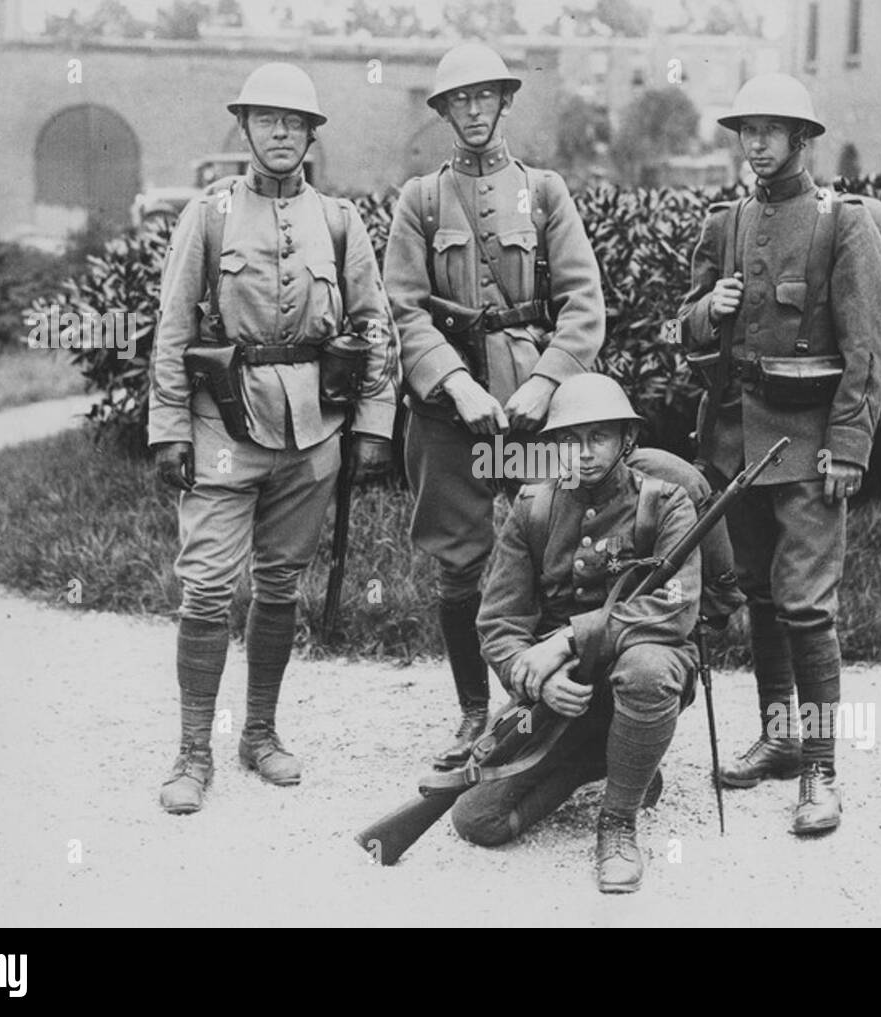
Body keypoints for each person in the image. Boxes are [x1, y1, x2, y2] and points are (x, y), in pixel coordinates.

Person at [148, 62, 397, 814]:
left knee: (281, 582)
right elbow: (173, 327)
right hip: (223, 422)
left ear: (312, 133)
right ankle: (194, 749)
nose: (281, 133)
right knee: (209, 585)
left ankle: (259, 732)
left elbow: (372, 324)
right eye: (266, 121)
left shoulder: (340, 220)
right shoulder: (211, 213)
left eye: (294, 122)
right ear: (247, 130)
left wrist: (374, 424)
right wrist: (167, 426)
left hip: (313, 429)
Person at [677, 72, 881, 835]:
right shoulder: (728, 222)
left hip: (806, 449)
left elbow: (867, 349)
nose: (758, 143)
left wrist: (848, 448)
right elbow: (688, 330)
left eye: (774, 130)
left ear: (804, 138)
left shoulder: (844, 224)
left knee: (806, 605)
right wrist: (711, 310)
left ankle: (822, 768)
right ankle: (777, 737)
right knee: (761, 595)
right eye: (748, 130)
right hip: (738, 443)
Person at [384, 42, 604, 770]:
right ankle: (473, 711)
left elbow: (583, 305)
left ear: (505, 102)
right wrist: (454, 381)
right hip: (450, 413)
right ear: (443, 110)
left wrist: (545, 381)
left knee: (551, 551)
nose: (473, 111)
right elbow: (405, 310)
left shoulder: (543, 192)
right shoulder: (419, 200)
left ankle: (539, 703)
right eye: (459, 100)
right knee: (458, 563)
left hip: (537, 410)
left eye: (486, 98)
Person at [452, 373, 701, 894]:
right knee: (478, 821)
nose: (583, 454)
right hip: (562, 689)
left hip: (638, 667)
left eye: (598, 438)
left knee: (649, 669)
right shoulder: (534, 508)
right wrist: (536, 683)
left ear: (626, 441)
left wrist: (566, 640)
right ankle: (608, 757)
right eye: (569, 440)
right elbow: (499, 622)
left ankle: (617, 822)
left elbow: (675, 607)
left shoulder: (666, 503)